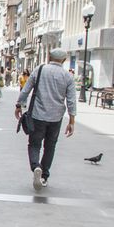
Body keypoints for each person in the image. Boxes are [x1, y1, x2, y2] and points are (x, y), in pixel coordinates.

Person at [15, 48, 76, 191]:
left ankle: (36, 166)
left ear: (49, 56)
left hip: (37, 115)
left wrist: (19, 105)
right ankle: (44, 176)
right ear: (64, 60)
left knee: (34, 144)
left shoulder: (39, 70)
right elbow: (71, 100)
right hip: (56, 117)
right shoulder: (67, 76)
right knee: (50, 146)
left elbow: (26, 89)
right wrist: (72, 121)